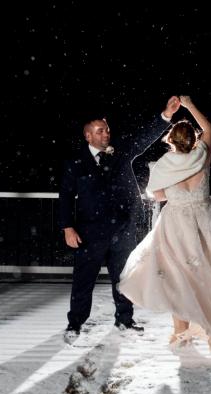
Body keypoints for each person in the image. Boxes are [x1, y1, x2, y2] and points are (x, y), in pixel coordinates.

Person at [118, 96, 211, 353]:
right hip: (205, 220)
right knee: (208, 275)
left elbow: (157, 196)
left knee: (177, 276)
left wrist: (174, 191)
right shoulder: (202, 157)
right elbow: (209, 128)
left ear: (171, 141)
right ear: (194, 139)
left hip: (176, 223)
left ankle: (180, 331)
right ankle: (209, 328)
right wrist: (190, 105)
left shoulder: (165, 165)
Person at [58, 96, 182, 339]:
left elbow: (144, 138)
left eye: (107, 130)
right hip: (88, 233)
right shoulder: (76, 162)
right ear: (88, 136)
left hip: (122, 229)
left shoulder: (121, 151)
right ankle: (75, 324)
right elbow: (65, 197)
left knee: (124, 278)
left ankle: (124, 320)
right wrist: (67, 227)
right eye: (100, 131)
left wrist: (166, 115)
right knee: (83, 280)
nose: (106, 134)